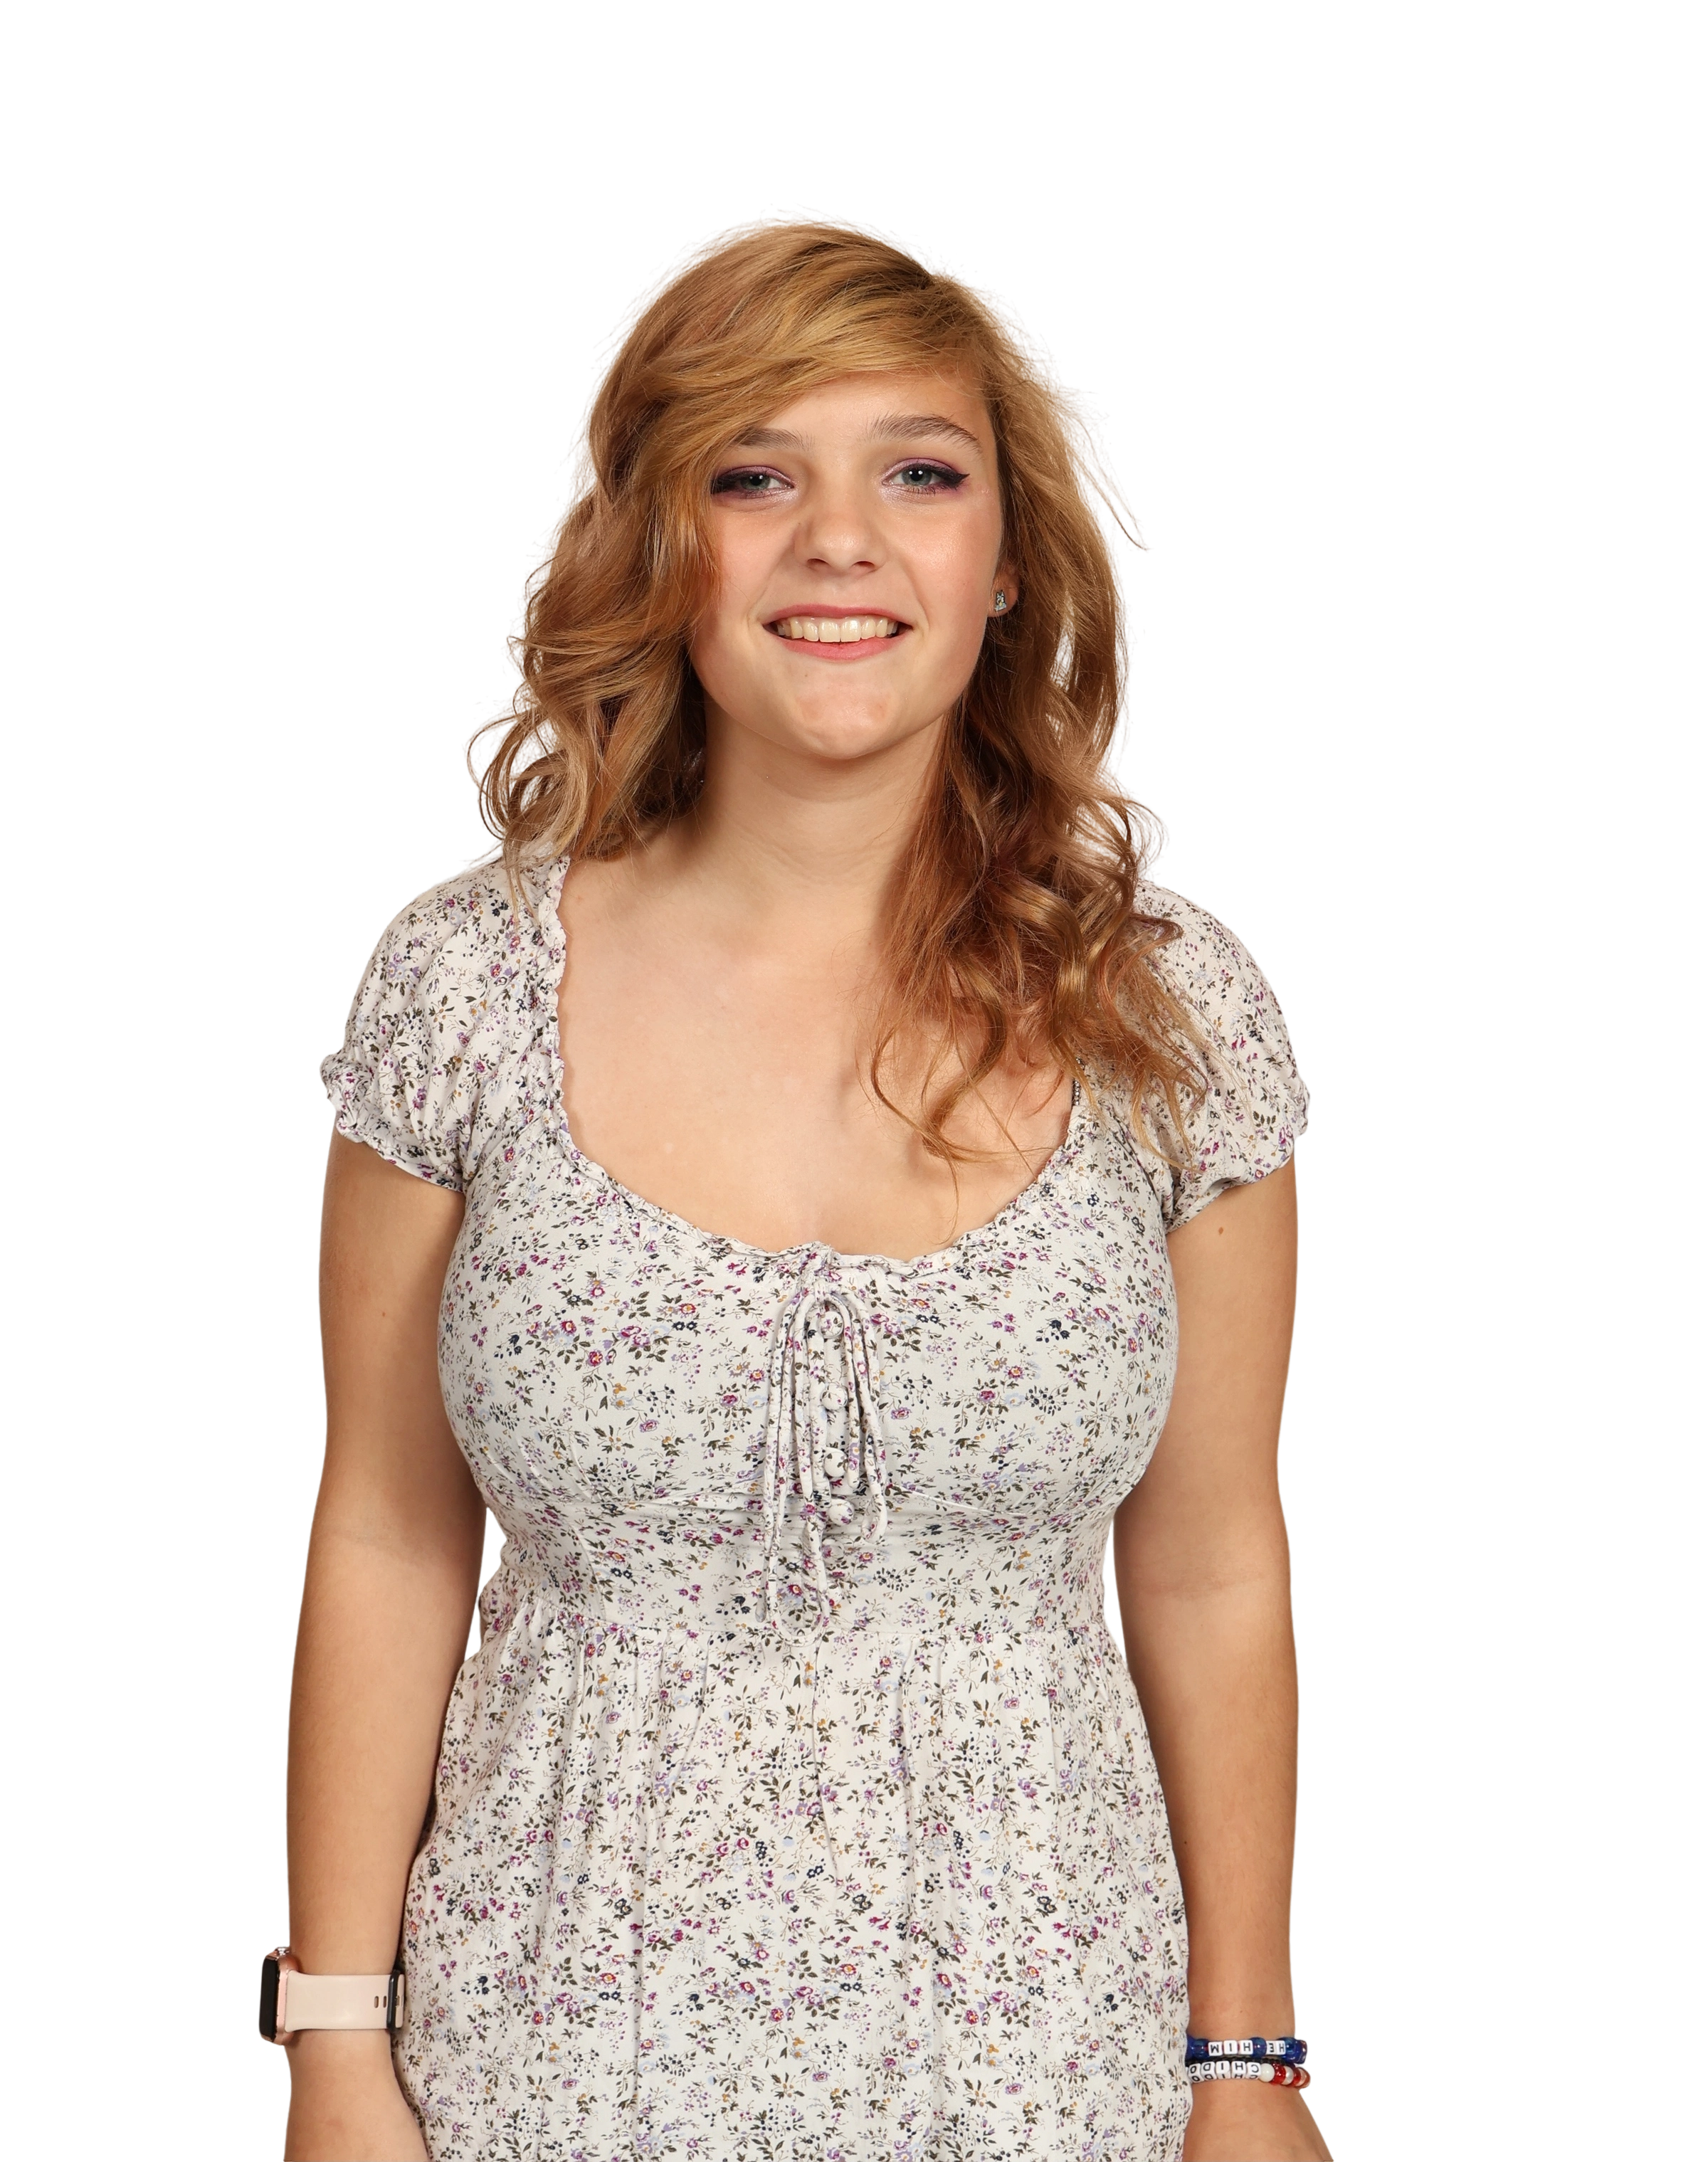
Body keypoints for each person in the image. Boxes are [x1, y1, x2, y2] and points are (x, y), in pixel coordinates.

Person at [275, 207, 1331, 2161]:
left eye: (919, 474)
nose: (840, 540)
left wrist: (1249, 2064)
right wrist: (332, 2040)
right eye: (753, 478)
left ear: (1010, 564)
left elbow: (1209, 1564)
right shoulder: (464, 983)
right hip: (551, 2060)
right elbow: (389, 1535)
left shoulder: (1170, 1006)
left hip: (1048, 2068)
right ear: (655, 551)